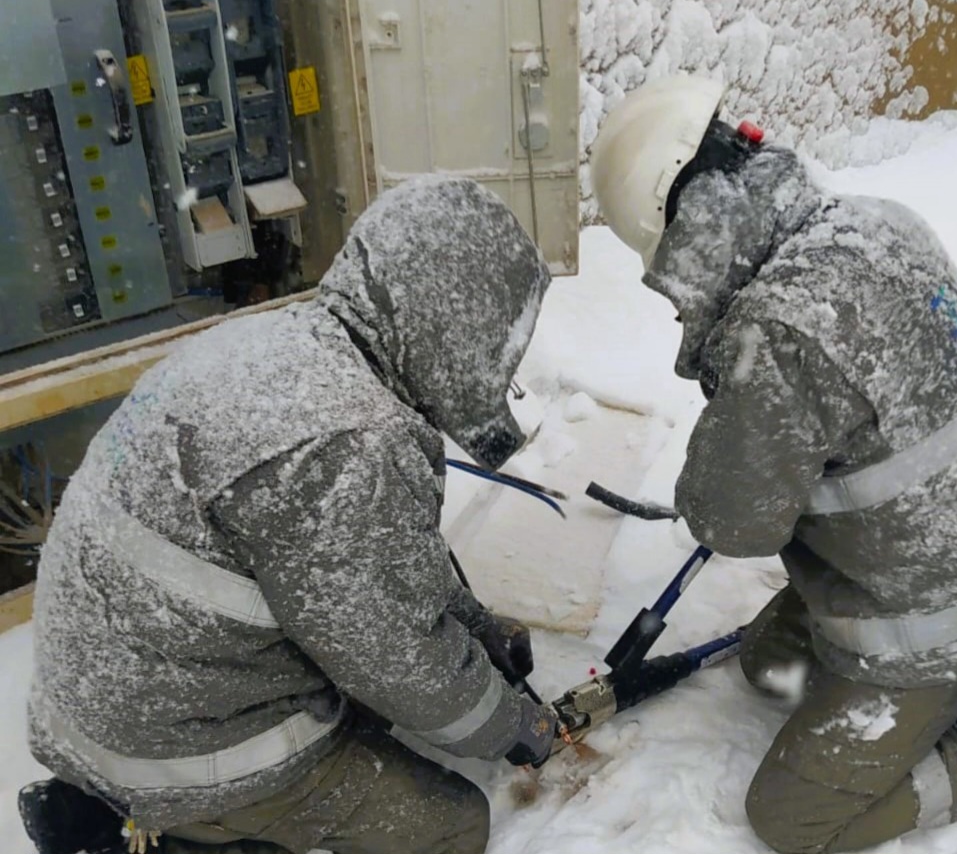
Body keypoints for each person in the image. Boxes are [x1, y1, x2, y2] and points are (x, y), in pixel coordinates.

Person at [589, 74, 957, 854]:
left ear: (689, 234)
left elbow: (732, 519)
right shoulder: (879, 226)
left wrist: (734, 394)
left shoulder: (779, 334)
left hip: (935, 620)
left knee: (791, 820)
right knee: (770, 668)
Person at [19, 176, 560, 854]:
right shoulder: (353, 441)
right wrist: (510, 725)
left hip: (105, 698)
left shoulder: (280, 351)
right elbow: (396, 659)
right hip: (175, 753)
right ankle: (202, 838)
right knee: (450, 824)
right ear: (452, 324)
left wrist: (474, 626)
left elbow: (368, 577)